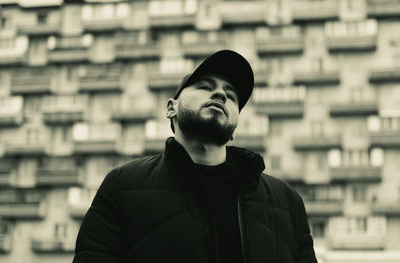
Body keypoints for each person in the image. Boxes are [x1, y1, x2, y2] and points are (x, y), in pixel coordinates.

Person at [73, 50, 317, 263]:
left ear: (234, 127)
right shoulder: (123, 185)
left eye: (231, 96)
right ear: (171, 108)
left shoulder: (286, 201)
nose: (221, 95)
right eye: (205, 87)